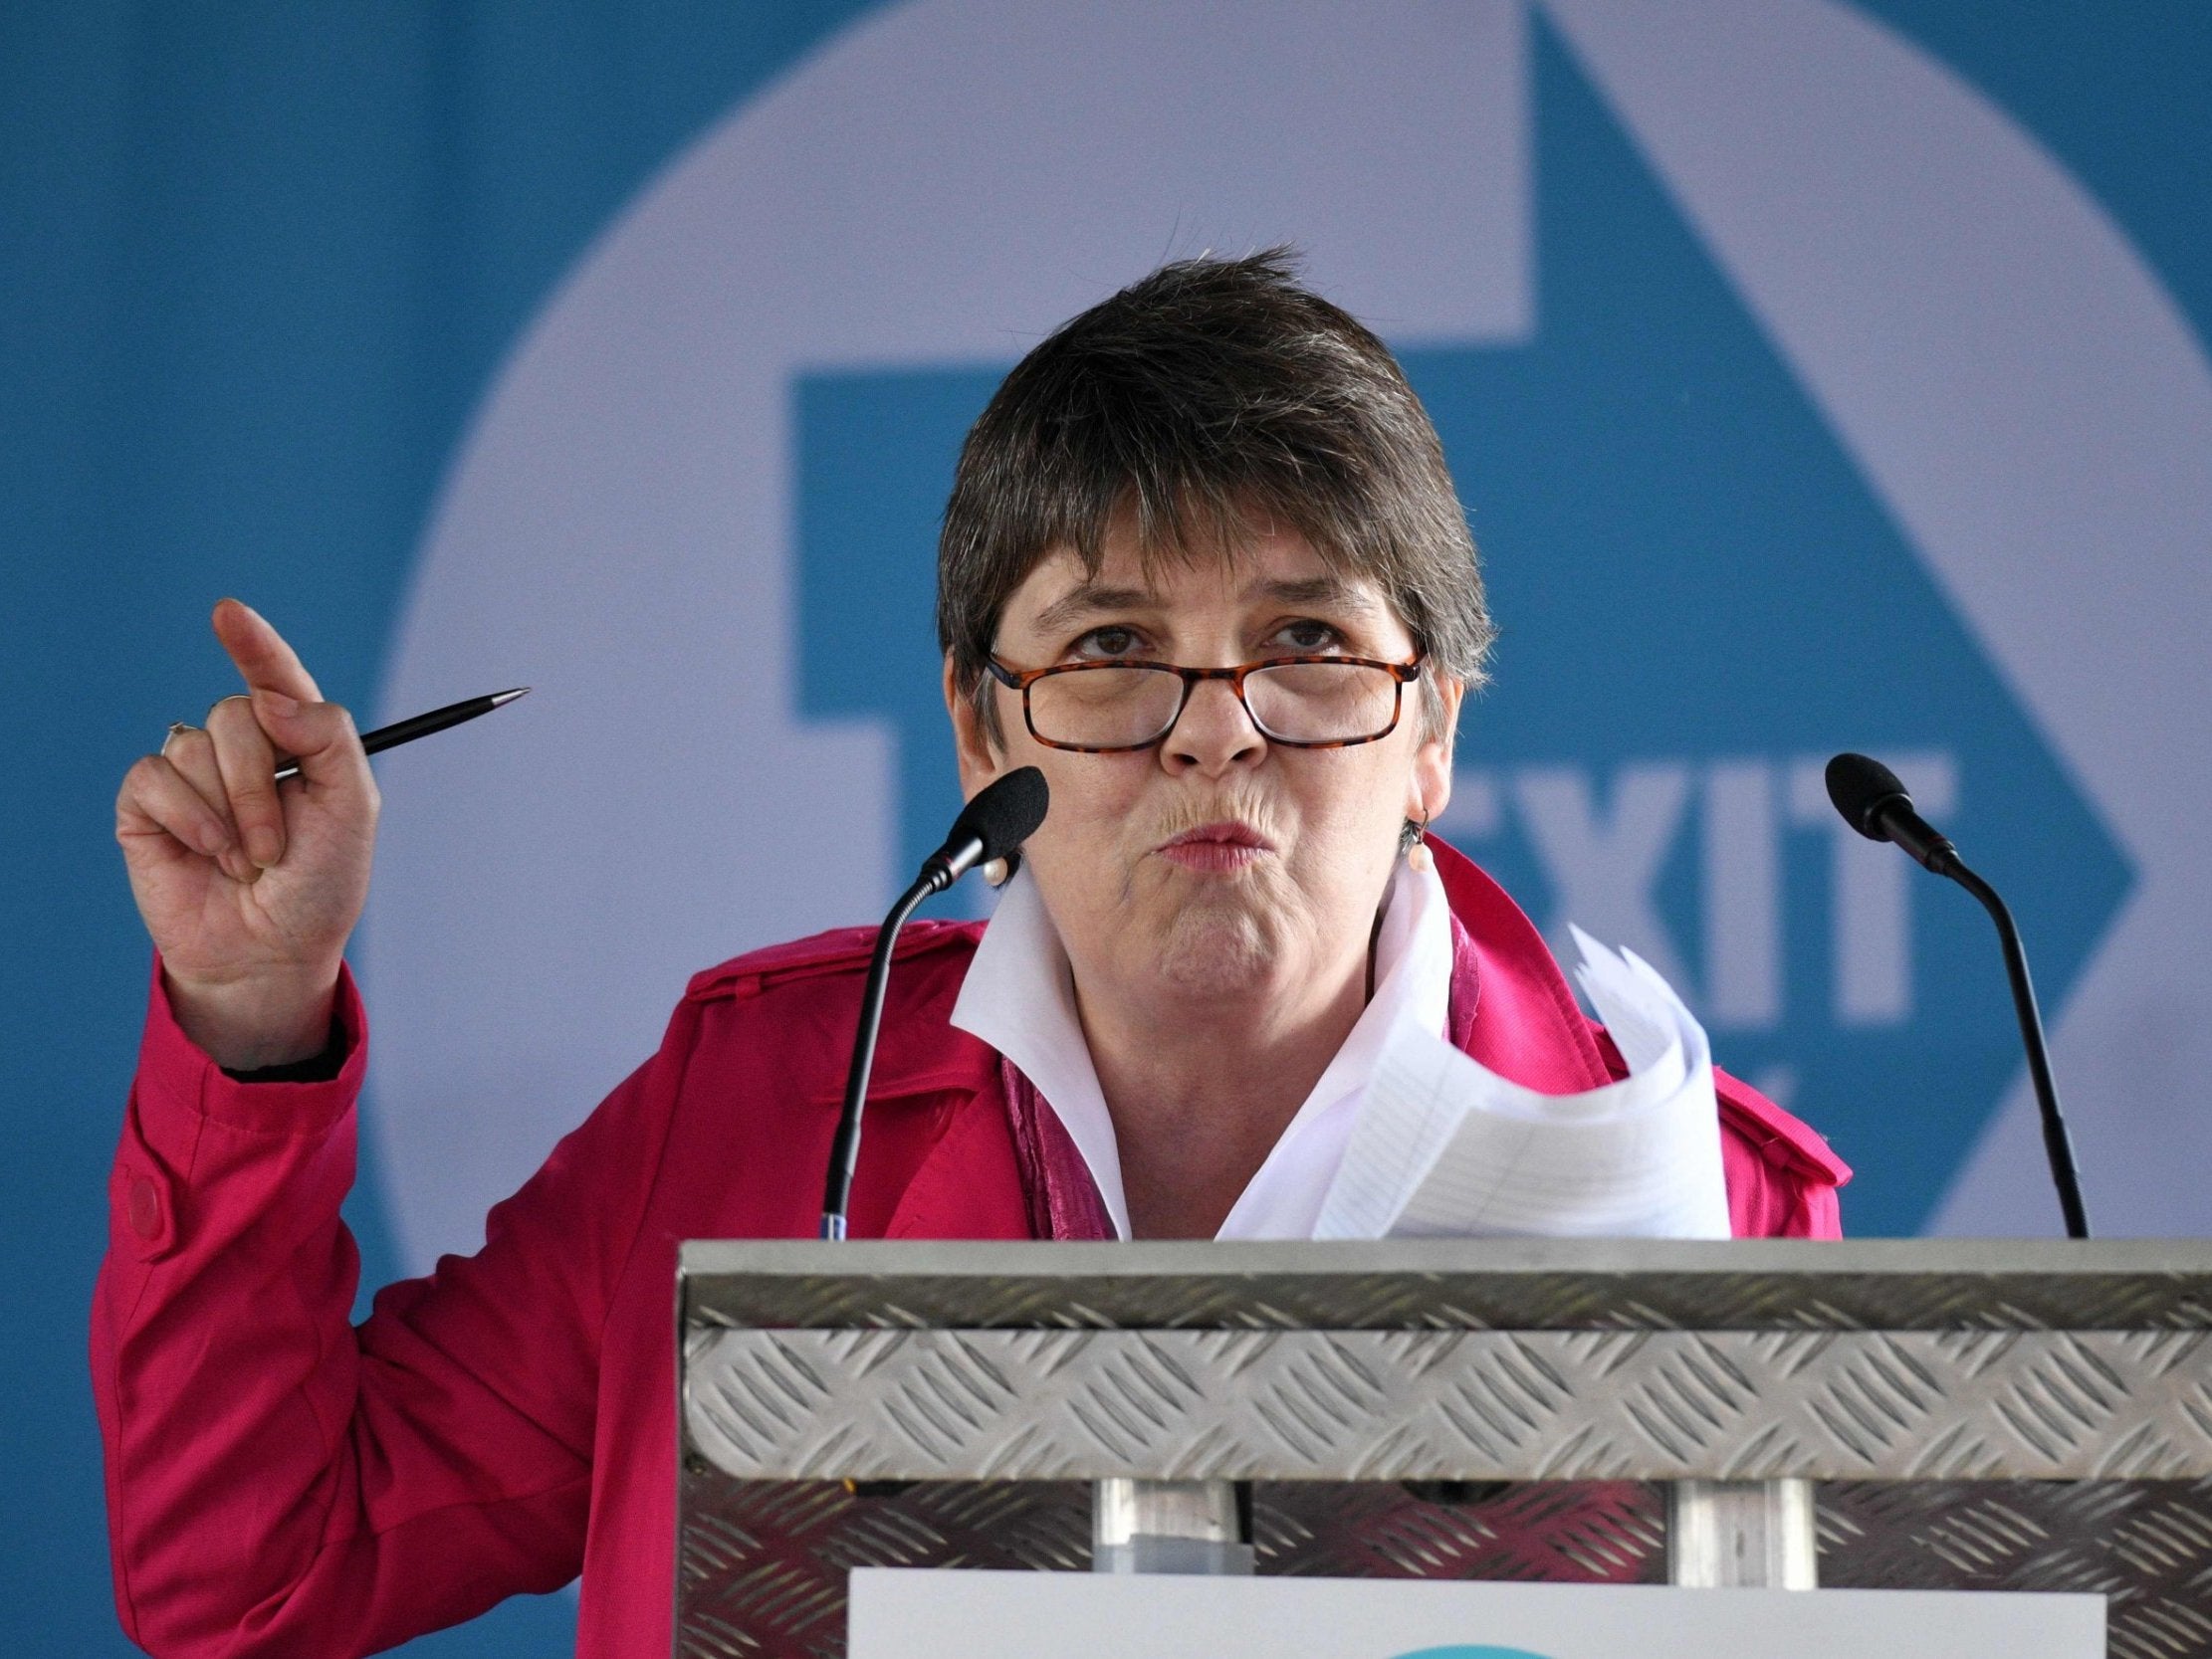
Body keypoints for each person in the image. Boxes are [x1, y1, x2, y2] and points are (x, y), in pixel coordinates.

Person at [97, 252, 1847, 1658]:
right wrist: (253, 1019)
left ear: (1433, 731)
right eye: (1110, 646)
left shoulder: (1709, 1196)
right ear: (975, 724)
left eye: (1307, 640)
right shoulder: (760, 1109)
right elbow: (257, 1579)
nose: (1211, 734)